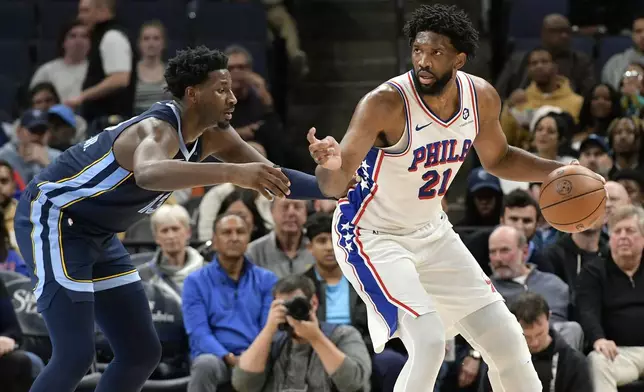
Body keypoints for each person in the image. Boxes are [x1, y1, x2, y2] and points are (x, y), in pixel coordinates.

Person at [306, 4, 604, 391]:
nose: (423, 61)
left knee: (508, 340)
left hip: (432, 232)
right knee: (429, 343)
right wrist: (330, 164)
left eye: (436, 53)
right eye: (418, 50)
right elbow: (333, 187)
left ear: (459, 58)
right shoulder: (384, 103)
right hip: (370, 236)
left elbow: (499, 158)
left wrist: (558, 171)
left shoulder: (480, 96)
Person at [13, 45, 327, 392]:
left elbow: (272, 175)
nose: (233, 98)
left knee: (140, 352)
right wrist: (231, 173)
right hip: (55, 218)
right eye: (221, 89)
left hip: (98, 232)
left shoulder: (214, 134)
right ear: (193, 94)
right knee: (74, 354)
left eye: (231, 88)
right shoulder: (156, 130)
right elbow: (149, 173)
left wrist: (334, 188)